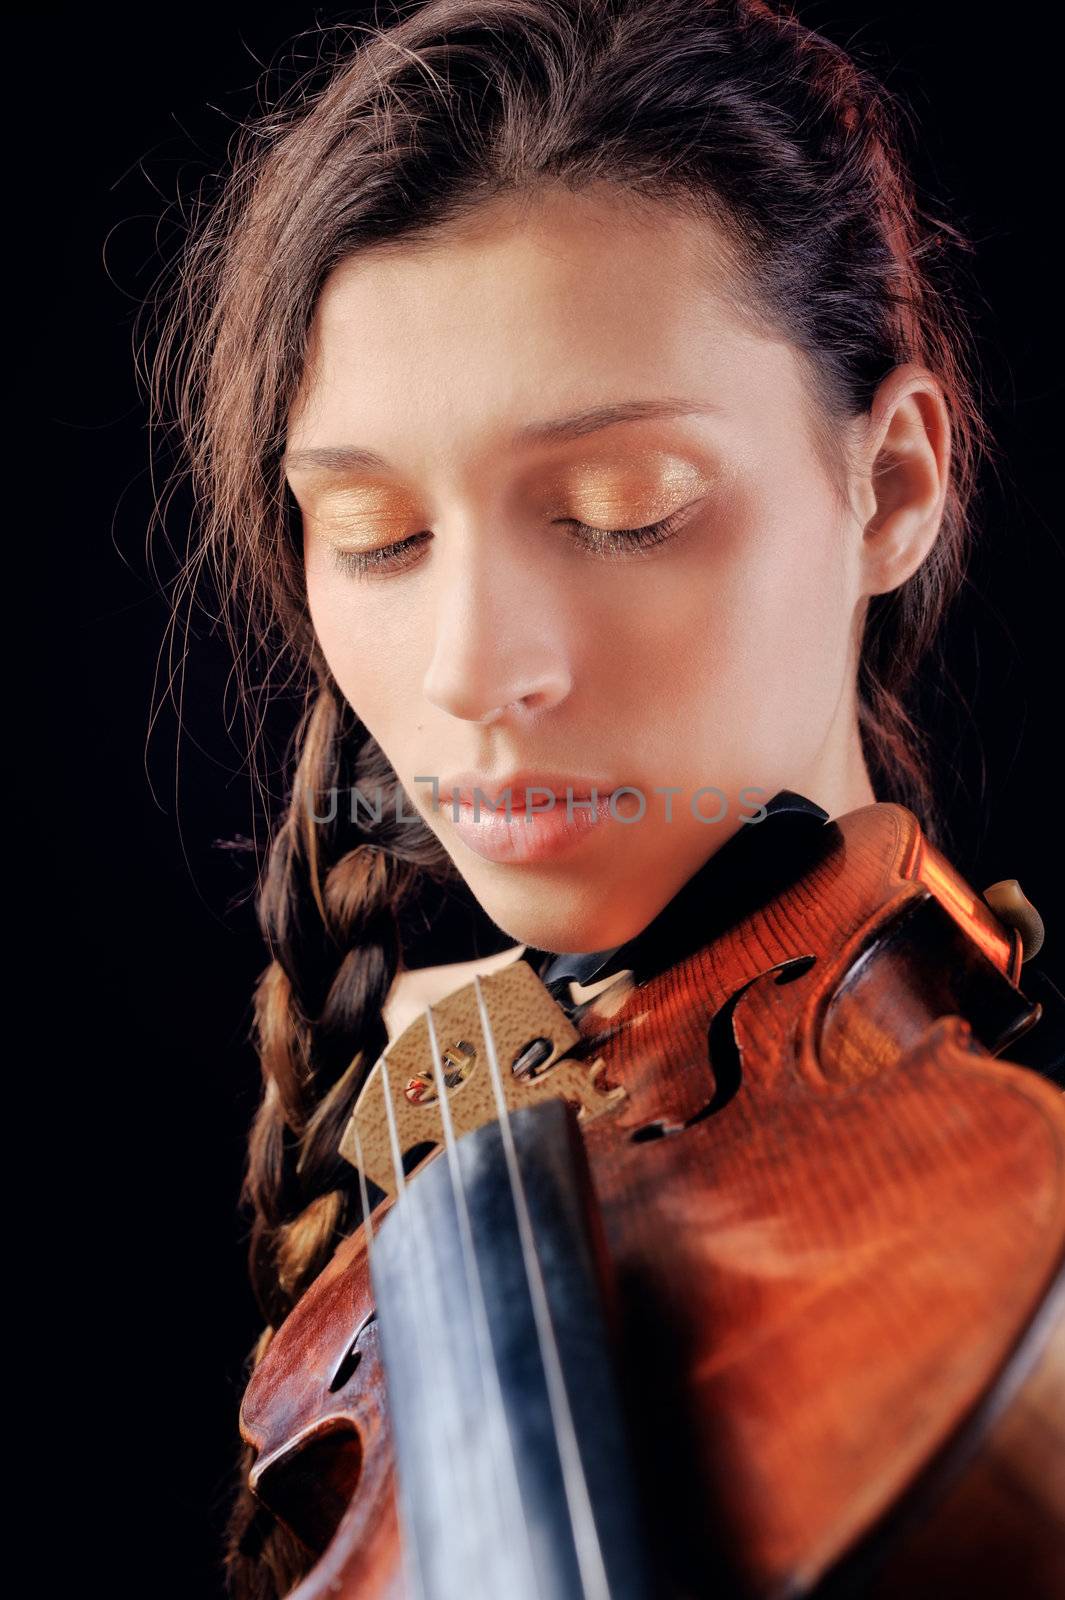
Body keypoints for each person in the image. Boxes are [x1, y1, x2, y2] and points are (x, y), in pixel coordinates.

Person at [147, 2, 1062, 1594]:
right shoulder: (362, 1276)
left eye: (618, 511)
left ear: (891, 484)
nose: (472, 670)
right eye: (371, 533)